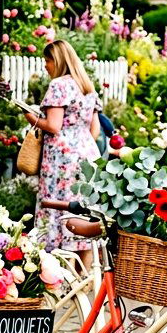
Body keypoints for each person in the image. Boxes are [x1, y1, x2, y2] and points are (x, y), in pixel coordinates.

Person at [30, 39, 101, 267]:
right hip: (88, 153)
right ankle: (85, 276)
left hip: (61, 158)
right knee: (82, 209)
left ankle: (57, 276)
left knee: (56, 207)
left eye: (47, 60)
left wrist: (31, 117)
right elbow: (95, 129)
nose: (45, 65)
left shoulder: (59, 85)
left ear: (57, 60)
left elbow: (53, 125)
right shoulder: (86, 85)